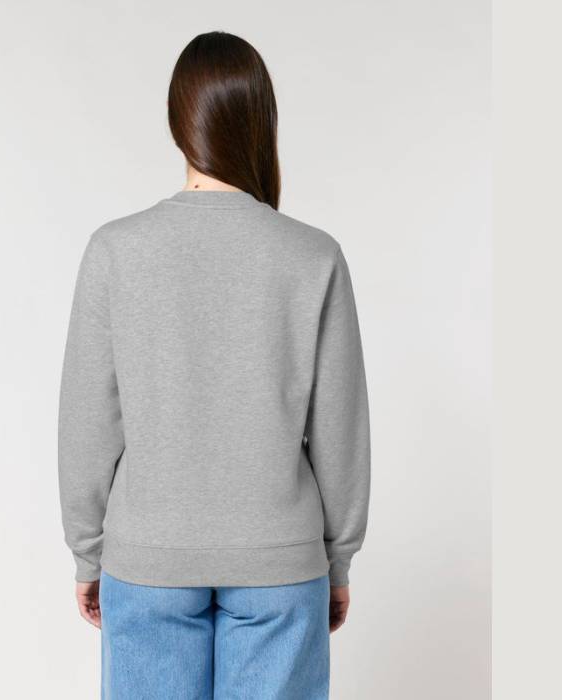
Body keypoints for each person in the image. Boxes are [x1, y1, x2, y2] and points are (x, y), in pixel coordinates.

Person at [58, 31, 370, 699]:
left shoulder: (115, 250)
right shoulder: (313, 255)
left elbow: (88, 421)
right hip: (280, 563)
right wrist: (337, 558)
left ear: (179, 122)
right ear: (262, 121)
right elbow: (340, 430)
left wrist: (88, 552)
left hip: (149, 559)